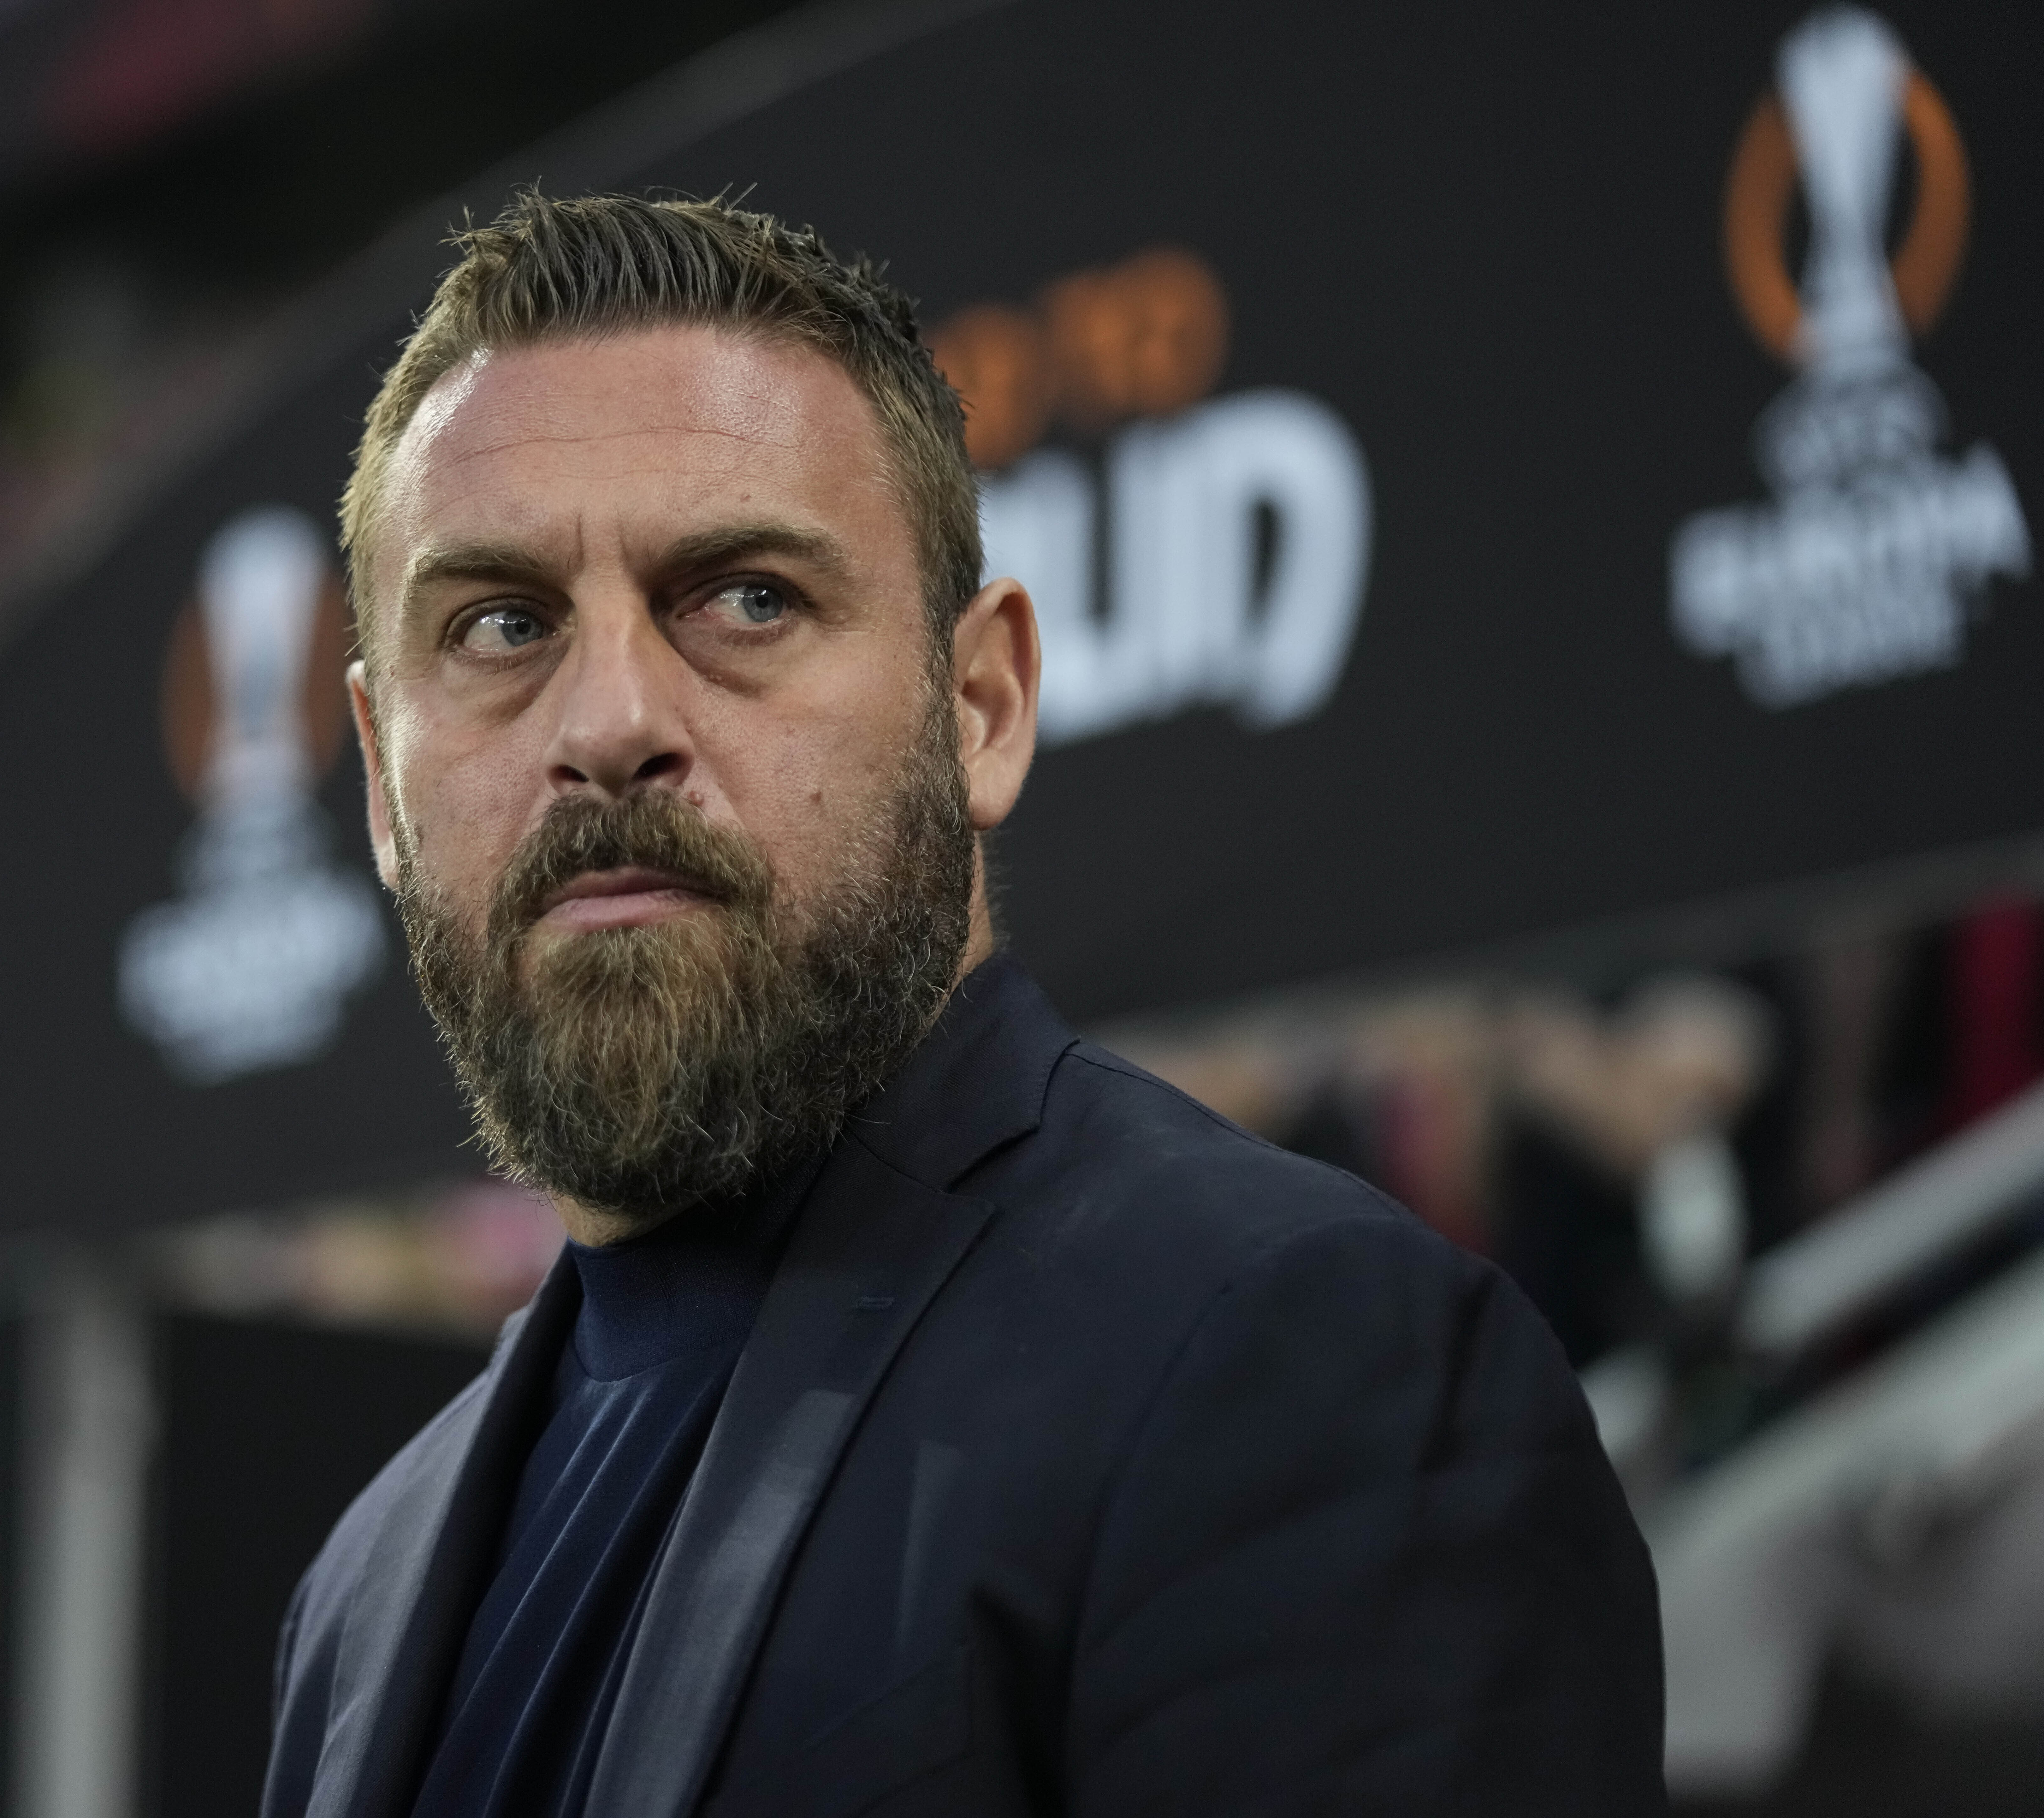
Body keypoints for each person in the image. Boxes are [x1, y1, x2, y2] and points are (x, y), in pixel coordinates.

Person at [263, 193, 1662, 1817]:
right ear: (379, 777)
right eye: (501, 626)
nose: (613, 720)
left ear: (981, 706)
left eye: (746, 598)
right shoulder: (358, 1596)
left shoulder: (1305, 1361)